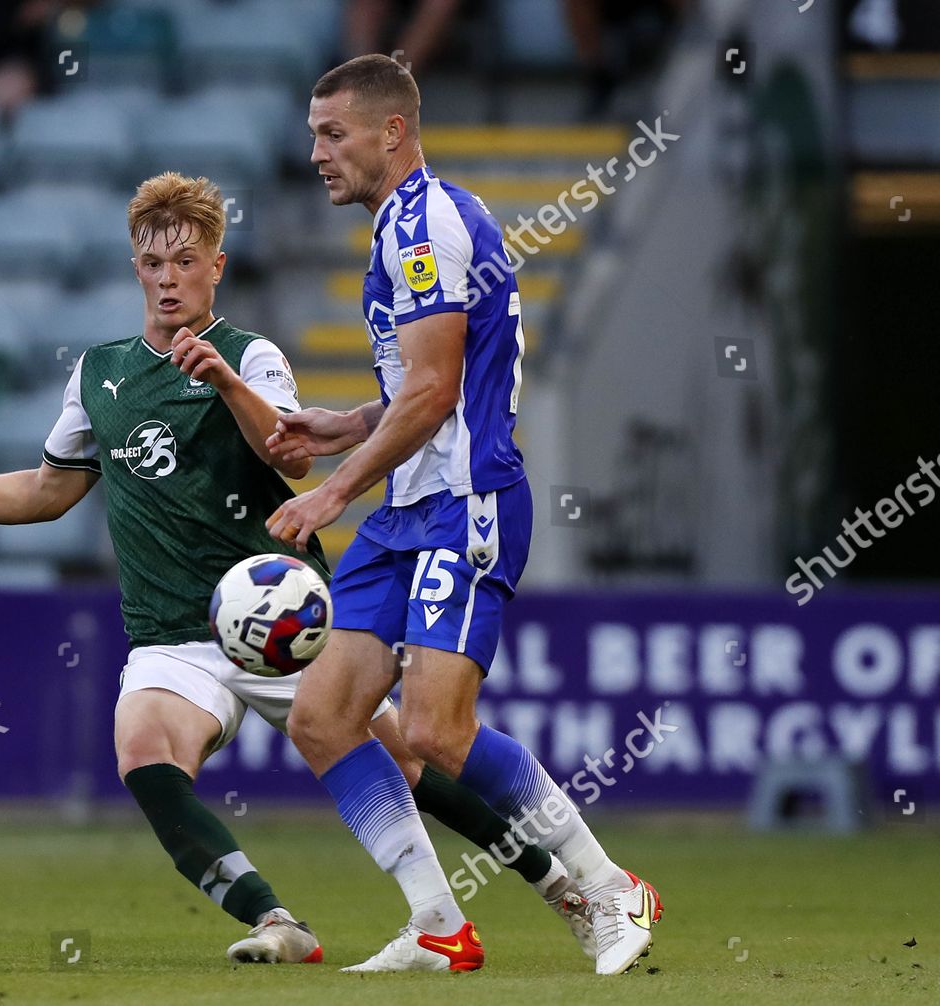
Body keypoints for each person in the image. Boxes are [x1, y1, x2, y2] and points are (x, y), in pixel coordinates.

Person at [0, 171, 593, 964]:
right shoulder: (100, 375)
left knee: (412, 760)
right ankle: (284, 921)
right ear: (136, 267)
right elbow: (45, 492)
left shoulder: (252, 355)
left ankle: (559, 882)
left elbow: (290, 454)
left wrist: (228, 383)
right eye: (153, 263)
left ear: (217, 266)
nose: (168, 279)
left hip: (278, 622)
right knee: (141, 750)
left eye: (185, 261)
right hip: (172, 633)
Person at [266, 54, 662, 974]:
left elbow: (438, 393)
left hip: (464, 503)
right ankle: (438, 926)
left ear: (391, 132)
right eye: (313, 134)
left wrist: (330, 490)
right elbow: (423, 384)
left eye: (334, 133)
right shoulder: (400, 227)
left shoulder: (425, 222)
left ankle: (611, 887)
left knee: (439, 732)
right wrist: (344, 425)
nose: (317, 153)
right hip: (406, 511)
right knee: (324, 716)